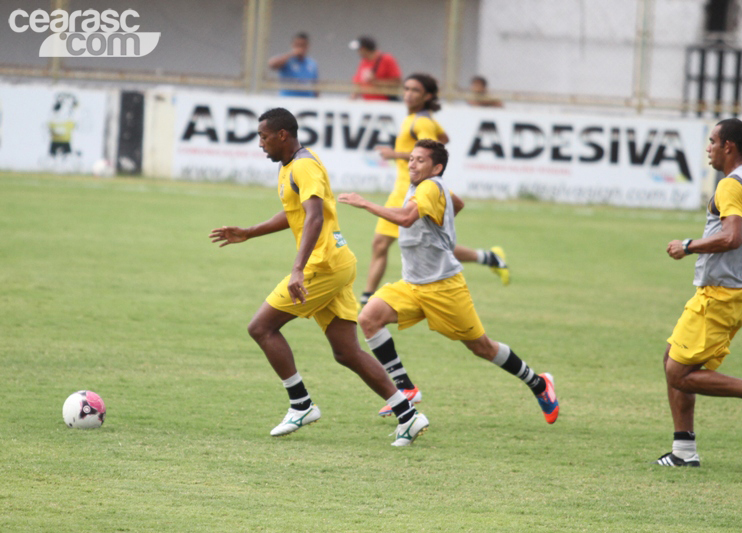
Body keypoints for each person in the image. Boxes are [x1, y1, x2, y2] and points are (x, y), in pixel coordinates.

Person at [209, 108, 428, 446]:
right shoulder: (290, 167)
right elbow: (293, 213)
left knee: (261, 328)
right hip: (335, 262)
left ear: (283, 135)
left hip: (323, 266)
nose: (260, 143)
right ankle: (408, 416)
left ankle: (301, 403)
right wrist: (249, 232)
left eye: (264, 137)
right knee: (347, 352)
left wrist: (298, 269)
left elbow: (313, 218)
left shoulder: (304, 165)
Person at [339, 139, 559, 423]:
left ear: (437, 167)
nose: (413, 163)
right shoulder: (426, 186)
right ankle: (406, 388)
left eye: (420, 160)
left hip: (444, 287)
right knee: (369, 319)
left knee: (482, 347)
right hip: (412, 284)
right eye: (412, 158)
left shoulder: (430, 186)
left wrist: (365, 203)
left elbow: (406, 219)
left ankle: (540, 384)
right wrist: (441, 223)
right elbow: (458, 202)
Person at [655, 118, 742, 467]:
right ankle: (683, 451)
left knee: (678, 373)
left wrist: (688, 246)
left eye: (713, 141)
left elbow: (732, 236)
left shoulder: (731, 186)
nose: (709, 147)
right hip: (731, 293)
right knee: (673, 357)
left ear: (728, 146)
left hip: (720, 296)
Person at [359, 73, 509, 305]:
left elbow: (432, 151)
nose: (408, 93)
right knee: (422, 242)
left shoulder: (422, 122)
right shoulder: (418, 118)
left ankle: (366, 298)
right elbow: (443, 138)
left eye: (415, 90)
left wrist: (394, 154)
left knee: (384, 243)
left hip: (411, 190)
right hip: (405, 188)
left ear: (427, 96)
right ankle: (488, 257)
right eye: (406, 88)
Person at [349, 36, 402, 101]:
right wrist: (351, 99)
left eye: (359, 49)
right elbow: (358, 84)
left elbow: (397, 83)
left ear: (365, 49)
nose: (358, 52)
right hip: (369, 103)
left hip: (385, 103)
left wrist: (376, 82)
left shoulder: (387, 59)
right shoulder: (364, 62)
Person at [268, 32, 318, 98]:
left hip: (307, 101)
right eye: (297, 45)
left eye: (302, 45)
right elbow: (272, 65)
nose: (300, 48)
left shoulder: (312, 63)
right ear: (292, 45)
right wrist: (291, 54)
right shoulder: (286, 60)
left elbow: (316, 86)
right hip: (288, 100)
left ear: (307, 46)